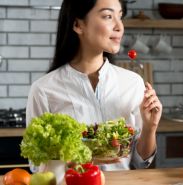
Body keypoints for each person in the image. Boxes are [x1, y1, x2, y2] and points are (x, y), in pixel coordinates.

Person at [26, 0, 162, 171]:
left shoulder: (132, 82)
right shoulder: (44, 90)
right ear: (77, 25)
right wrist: (81, 159)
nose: (119, 26)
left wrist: (150, 128)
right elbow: (38, 165)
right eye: (108, 16)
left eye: (120, 16)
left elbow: (139, 163)